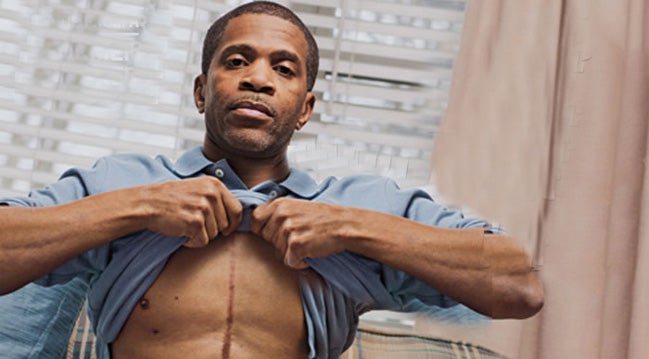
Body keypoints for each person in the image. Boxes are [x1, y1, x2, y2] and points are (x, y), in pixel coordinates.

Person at [0, 1, 544, 358]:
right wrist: (136, 209)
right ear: (201, 91)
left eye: (283, 69)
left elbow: (519, 287)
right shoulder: (124, 183)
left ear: (304, 109)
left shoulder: (361, 205)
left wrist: (352, 228)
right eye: (237, 61)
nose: (258, 78)